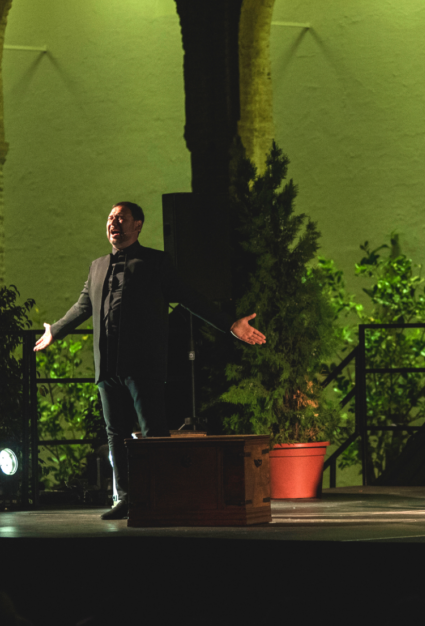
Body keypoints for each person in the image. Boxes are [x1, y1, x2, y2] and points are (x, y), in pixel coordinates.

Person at [34, 202, 265, 519]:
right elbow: (82, 307)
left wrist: (229, 324)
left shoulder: (155, 262)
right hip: (108, 365)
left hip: (142, 364)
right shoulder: (97, 266)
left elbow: (188, 296)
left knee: (153, 432)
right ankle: (127, 499)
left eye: (122, 218)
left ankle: (162, 496)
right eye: (110, 218)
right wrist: (55, 331)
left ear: (138, 225)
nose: (114, 223)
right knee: (115, 432)